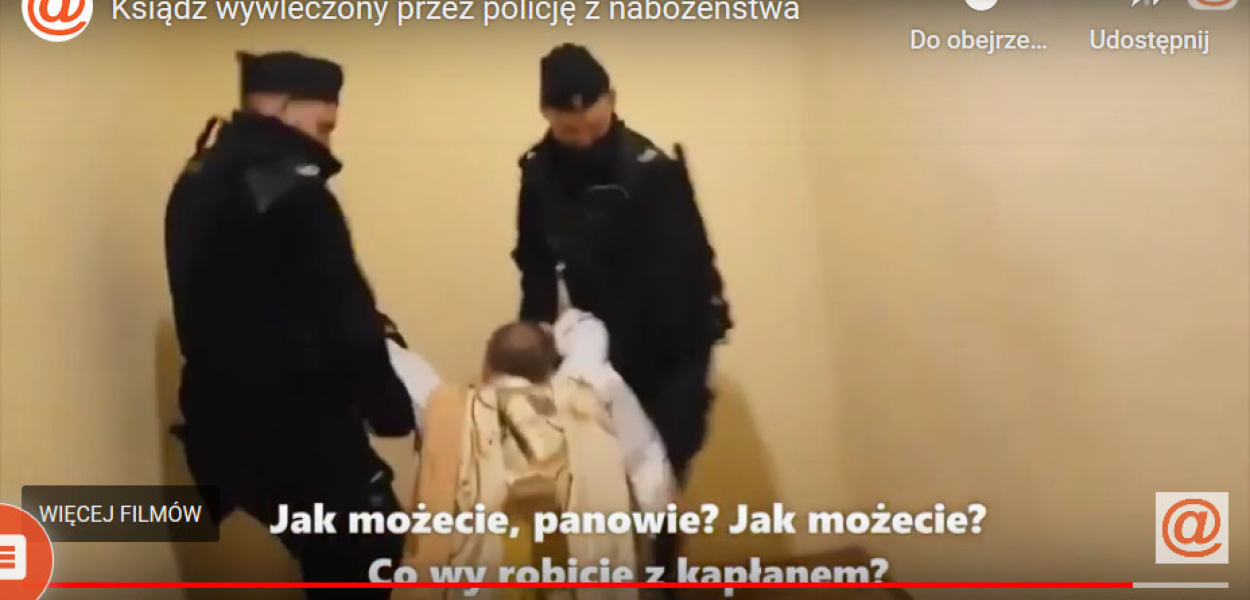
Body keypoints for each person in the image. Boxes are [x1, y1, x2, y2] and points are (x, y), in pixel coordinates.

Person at [164, 51, 414, 599]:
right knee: (370, 545)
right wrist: (392, 409)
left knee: (326, 551)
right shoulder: (294, 190)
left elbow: (252, 290)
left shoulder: (198, 175)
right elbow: (345, 318)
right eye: (323, 126)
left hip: (222, 424)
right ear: (280, 106)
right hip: (296, 423)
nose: (327, 143)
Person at [509, 43, 732, 591]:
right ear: (546, 114)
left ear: (612, 101)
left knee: (659, 483)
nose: (585, 139)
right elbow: (535, 266)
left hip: (672, 349)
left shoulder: (653, 170)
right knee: (604, 489)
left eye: (594, 124)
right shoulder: (538, 175)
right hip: (602, 348)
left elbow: (689, 273)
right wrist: (532, 350)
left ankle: (662, 579)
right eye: (570, 130)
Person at [389, 317, 656, 600]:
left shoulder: (452, 413)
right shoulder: (587, 413)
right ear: (549, 371)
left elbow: (429, 521)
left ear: (487, 366)